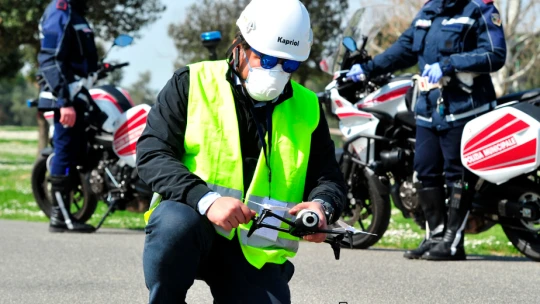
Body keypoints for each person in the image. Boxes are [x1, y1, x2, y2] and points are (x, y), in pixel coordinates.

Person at [136, 0, 346, 302]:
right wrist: (206, 200)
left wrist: (322, 207)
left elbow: (329, 178)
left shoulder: (308, 106)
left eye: (289, 65)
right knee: (174, 224)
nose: (277, 72)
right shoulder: (191, 82)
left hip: (254, 251)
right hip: (193, 223)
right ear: (240, 46)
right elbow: (152, 154)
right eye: (267, 59)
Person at [347, 0, 506, 260]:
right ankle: (435, 237)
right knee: (425, 170)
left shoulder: (480, 9)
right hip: (428, 107)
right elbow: (404, 49)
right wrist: (367, 68)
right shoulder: (429, 10)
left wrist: (449, 64)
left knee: (457, 174)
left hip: (465, 107)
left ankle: (453, 243)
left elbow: (495, 54)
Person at [37, 0, 97, 233]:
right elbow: (50, 58)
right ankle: (60, 218)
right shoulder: (60, 10)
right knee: (65, 151)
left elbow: (78, 56)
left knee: (77, 152)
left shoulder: (74, 11)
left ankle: (67, 214)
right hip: (62, 98)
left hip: (74, 96)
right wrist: (64, 101)